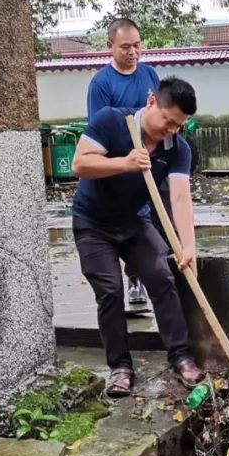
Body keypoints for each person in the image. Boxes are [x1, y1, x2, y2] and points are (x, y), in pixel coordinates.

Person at [71, 76, 205, 396]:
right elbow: (80, 164)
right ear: (151, 103)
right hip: (93, 224)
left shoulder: (177, 148)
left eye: (179, 125)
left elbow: (180, 198)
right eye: (168, 121)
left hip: (134, 222)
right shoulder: (112, 122)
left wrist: (188, 246)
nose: (171, 130)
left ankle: (181, 357)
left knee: (161, 275)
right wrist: (125, 163)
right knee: (111, 291)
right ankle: (120, 367)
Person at [86, 17, 161, 309]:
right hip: (116, 163)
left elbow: (156, 113)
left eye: (138, 46)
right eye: (126, 47)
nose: (133, 52)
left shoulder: (150, 75)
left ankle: (138, 277)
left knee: (143, 221)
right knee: (119, 223)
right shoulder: (101, 84)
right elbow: (99, 128)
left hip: (146, 159)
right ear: (110, 46)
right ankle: (124, 283)